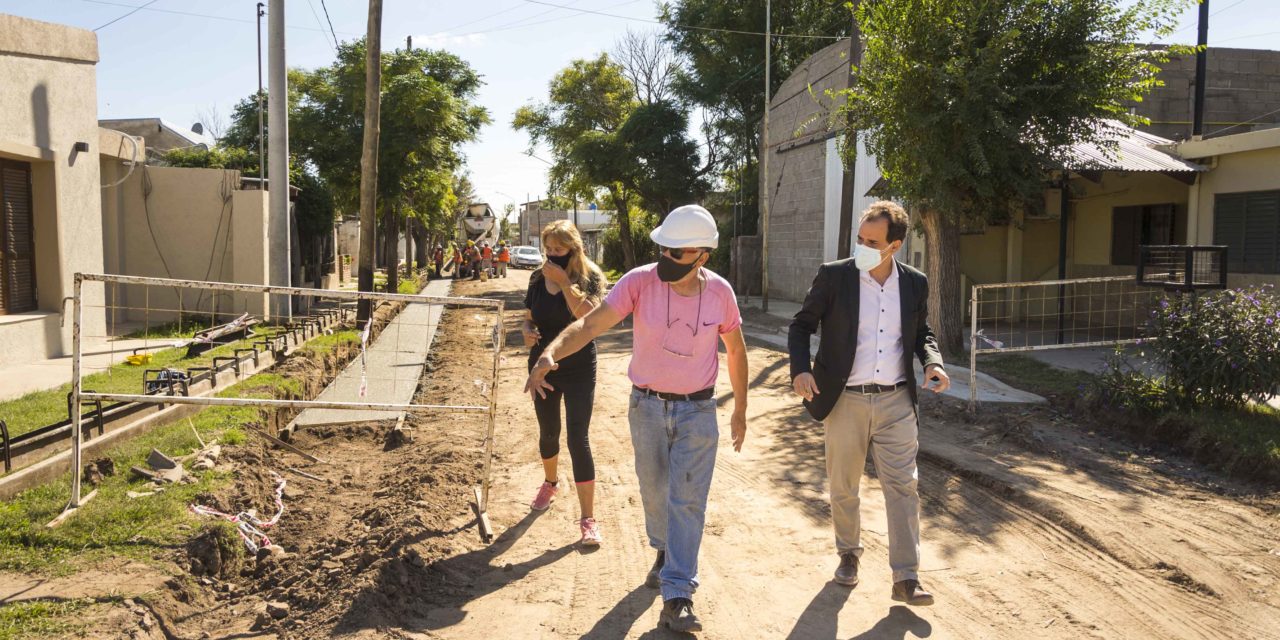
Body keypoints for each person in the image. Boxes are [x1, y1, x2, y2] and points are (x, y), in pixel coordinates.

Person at [526, 204, 748, 634]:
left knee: (686, 500)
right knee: (654, 490)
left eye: (677, 253)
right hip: (646, 406)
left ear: (702, 255)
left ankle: (679, 591)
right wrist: (552, 351)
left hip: (698, 410)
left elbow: (735, 350)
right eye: (663, 249)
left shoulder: (720, 292)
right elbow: (590, 326)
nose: (666, 259)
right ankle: (664, 550)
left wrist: (740, 408)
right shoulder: (639, 281)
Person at [787, 201, 950, 607]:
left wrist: (932, 362)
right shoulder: (835, 276)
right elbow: (801, 325)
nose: (861, 246)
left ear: (894, 246)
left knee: (904, 487)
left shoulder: (914, 282)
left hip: (896, 400)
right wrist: (800, 370)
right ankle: (848, 553)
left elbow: (921, 331)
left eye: (871, 241)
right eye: (859, 238)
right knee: (844, 486)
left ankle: (906, 576)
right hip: (844, 399)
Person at [522, 220, 610, 546]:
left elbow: (591, 319)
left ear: (573, 248)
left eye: (558, 250)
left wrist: (564, 282)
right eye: (548, 250)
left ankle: (588, 519)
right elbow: (528, 314)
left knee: (578, 438)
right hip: (543, 367)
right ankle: (550, 482)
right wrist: (526, 331)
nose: (552, 255)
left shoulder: (590, 276)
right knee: (548, 433)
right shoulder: (536, 277)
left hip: (579, 369)